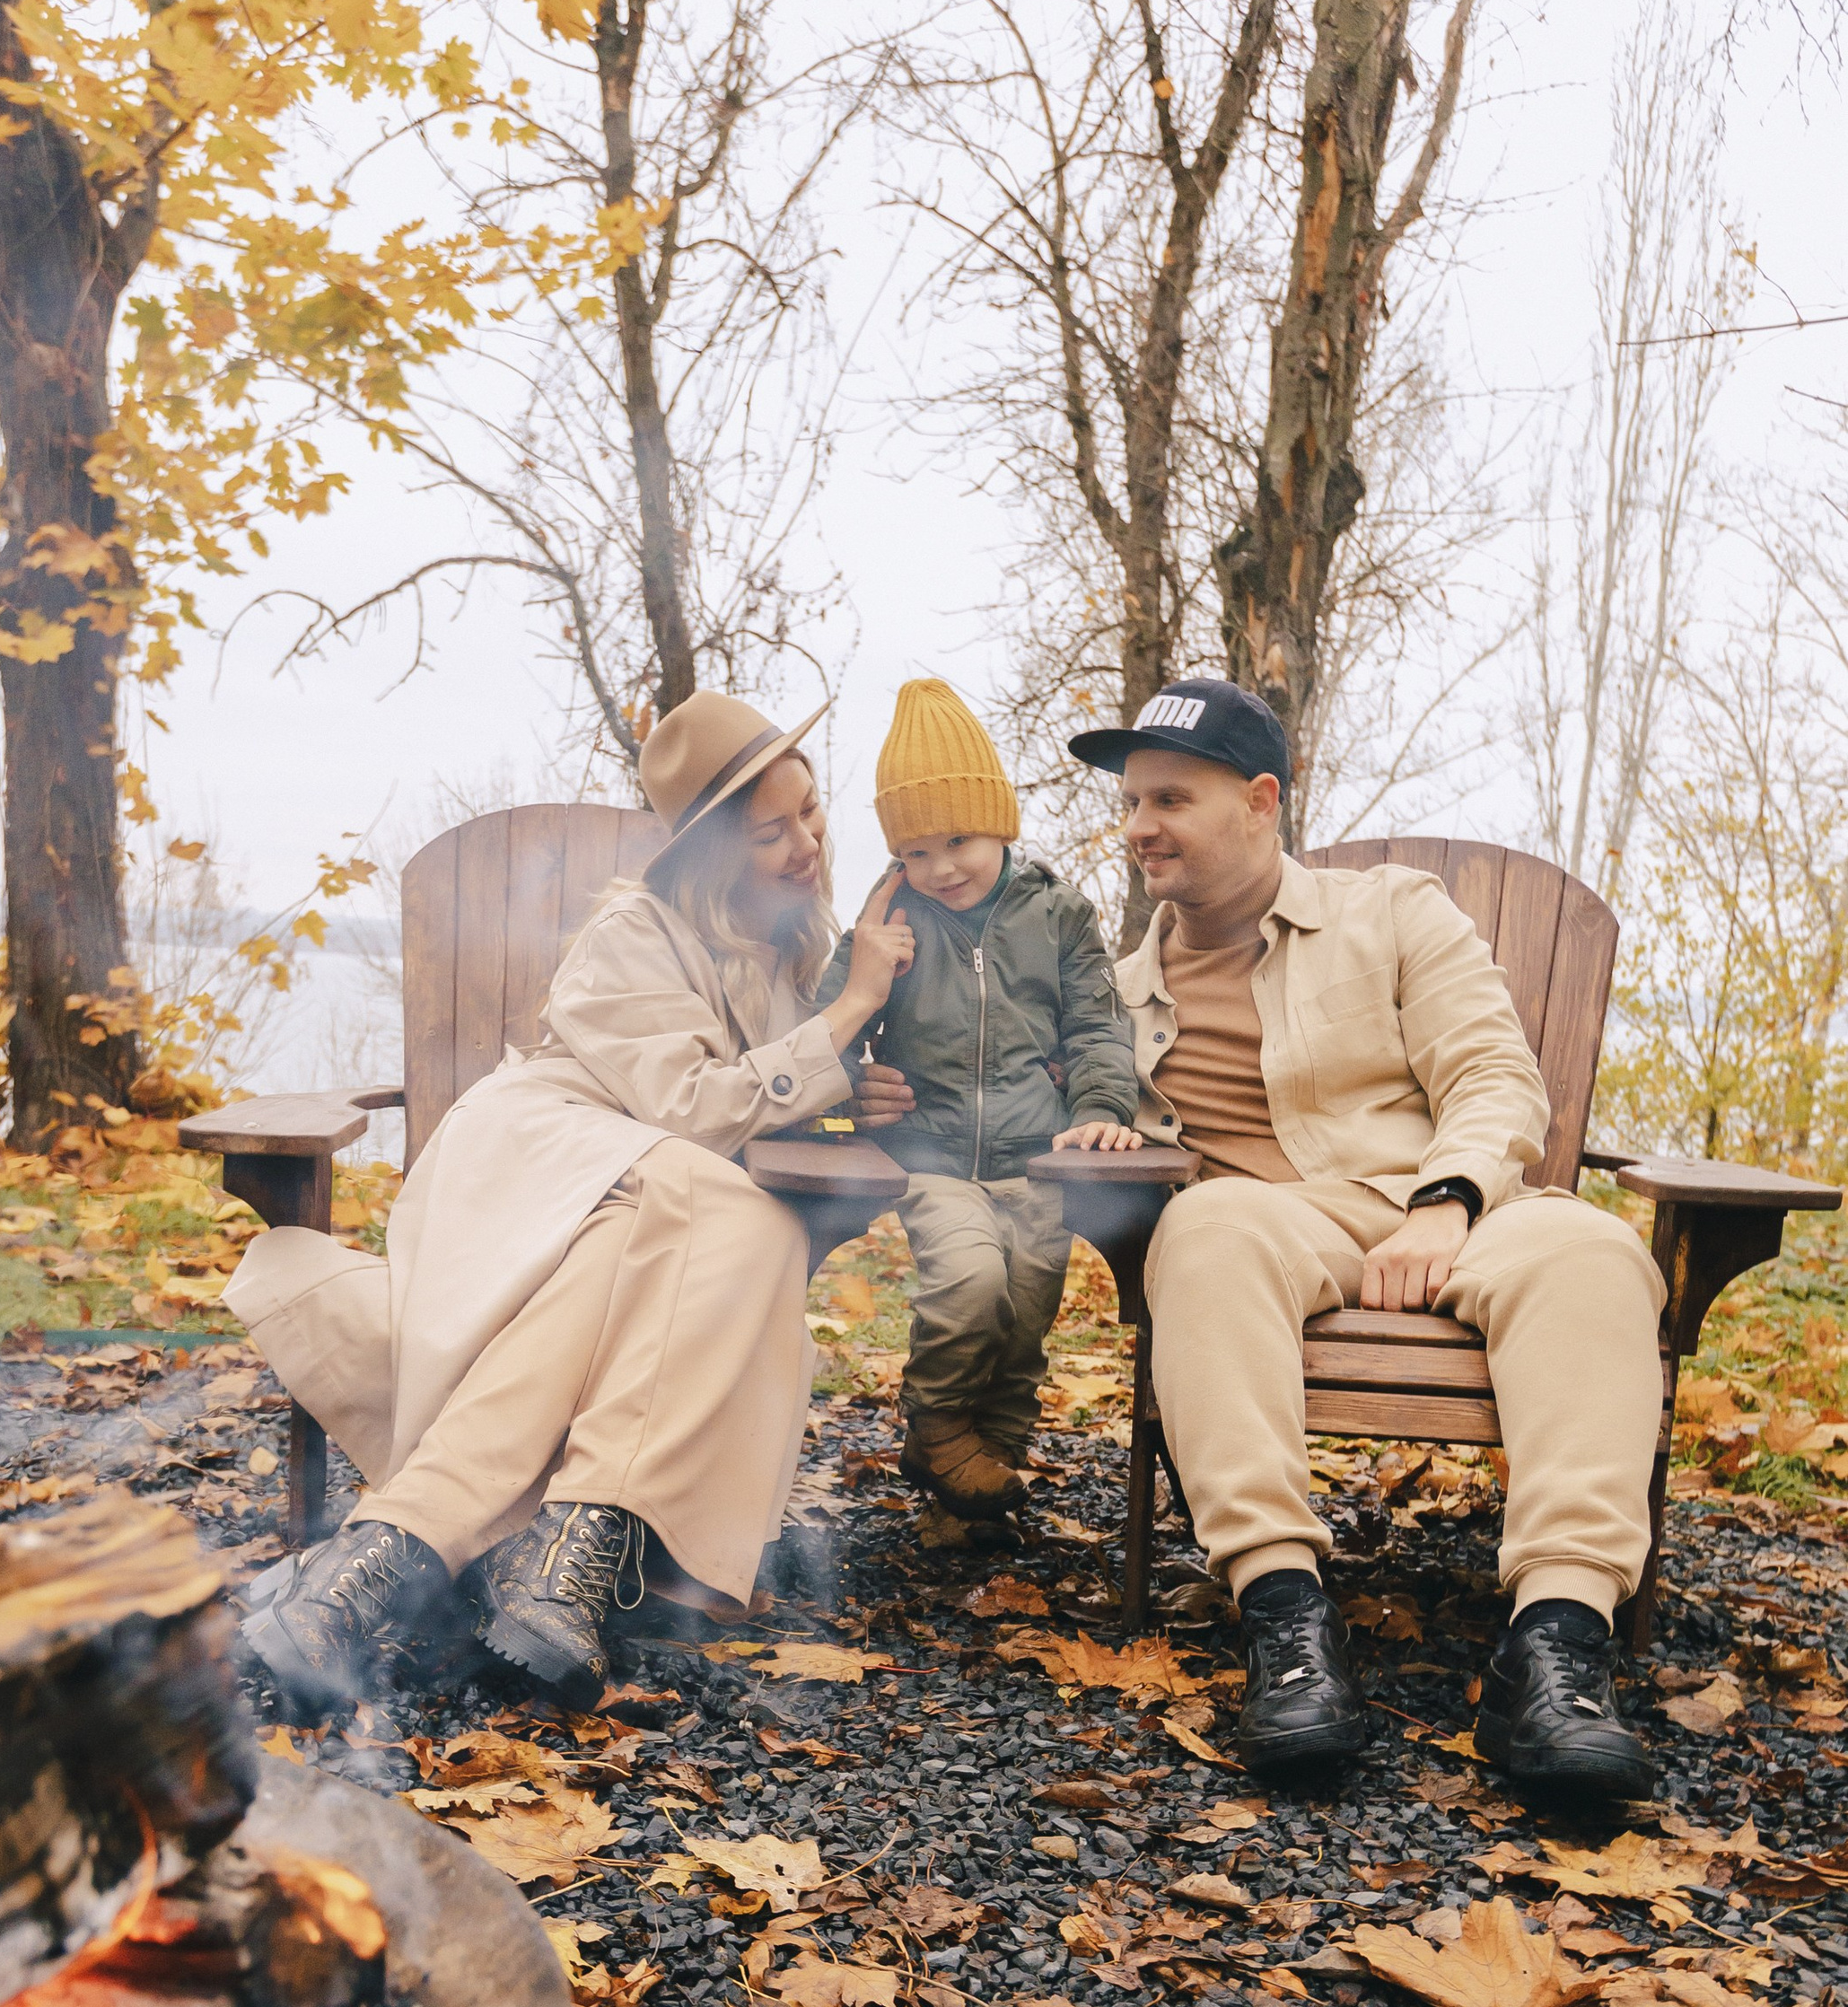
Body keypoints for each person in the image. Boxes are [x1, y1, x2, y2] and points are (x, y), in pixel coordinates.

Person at [859, 673, 1667, 1793]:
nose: (1139, 827)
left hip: (1455, 1205)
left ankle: (1558, 1648)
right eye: (1130, 803)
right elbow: (994, 1092)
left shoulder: (1393, 911)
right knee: (1203, 1226)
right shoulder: (1109, 996)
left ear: (1259, 800)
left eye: (1169, 800)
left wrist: (1446, 1201)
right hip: (1269, 1230)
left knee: (1598, 1254)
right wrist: (879, 1090)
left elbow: (1491, 1074)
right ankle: (1286, 1623)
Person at [229, 691, 914, 1716]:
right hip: (536, 1160)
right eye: (769, 832)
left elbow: (754, 1102)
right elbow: (693, 1112)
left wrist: (851, 1085)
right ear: (710, 853)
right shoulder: (636, 930)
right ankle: (566, 1556)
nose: (805, 844)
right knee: (732, 1210)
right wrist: (852, 1011)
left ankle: (378, 1564)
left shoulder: (784, 948)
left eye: (808, 812)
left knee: (692, 1224)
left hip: (642, 1204)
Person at [818, 679, 1143, 1517]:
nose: (941, 868)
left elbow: (1098, 1028)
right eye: (915, 851)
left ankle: (975, 1500)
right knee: (968, 1288)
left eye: (958, 839)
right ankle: (935, 1428)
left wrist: (1100, 1110)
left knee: (1024, 1322)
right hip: (930, 1158)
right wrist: (853, 1082)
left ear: (1000, 822)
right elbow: (821, 1040)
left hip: (1040, 1160)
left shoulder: (1059, 915)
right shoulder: (889, 924)